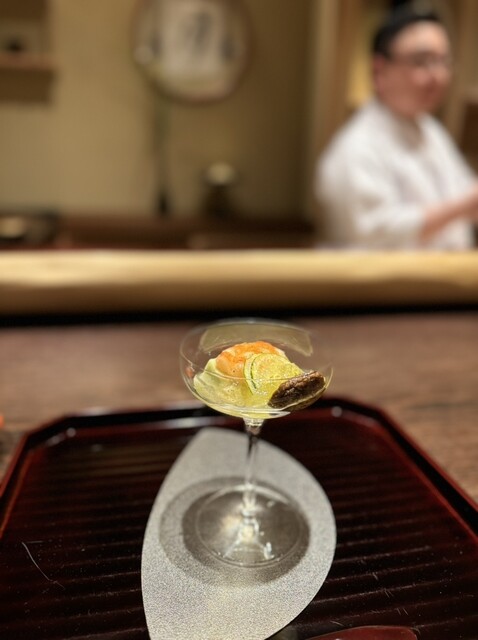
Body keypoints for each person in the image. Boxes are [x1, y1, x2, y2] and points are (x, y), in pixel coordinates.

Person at [315, 5, 478, 250]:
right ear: (380, 70)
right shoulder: (356, 147)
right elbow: (376, 233)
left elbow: (466, 191)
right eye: (422, 61)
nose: (438, 76)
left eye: (443, 61)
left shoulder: (431, 130)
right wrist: (460, 208)